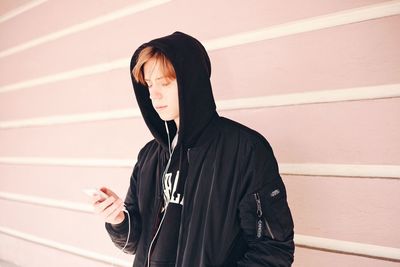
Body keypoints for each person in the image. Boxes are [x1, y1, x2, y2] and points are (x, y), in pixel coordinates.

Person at [91, 31, 294, 267]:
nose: (154, 95)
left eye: (165, 83)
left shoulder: (245, 150)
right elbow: (135, 242)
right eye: (149, 84)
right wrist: (117, 218)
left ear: (192, 82)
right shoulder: (150, 156)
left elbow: (273, 250)